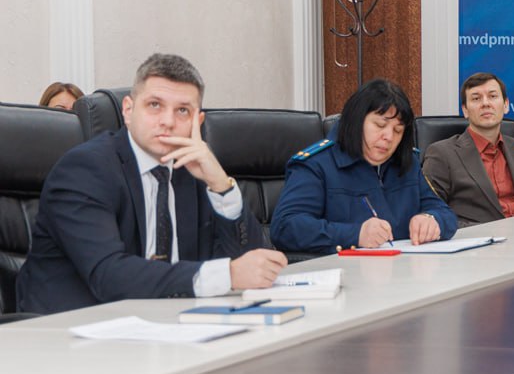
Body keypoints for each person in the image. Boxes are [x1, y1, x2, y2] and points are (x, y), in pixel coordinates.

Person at [16, 54, 282, 314]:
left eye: (182, 110)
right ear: (128, 111)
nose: (168, 121)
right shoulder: (84, 169)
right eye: (155, 105)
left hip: (167, 322)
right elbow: (109, 275)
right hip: (69, 326)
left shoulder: (193, 170)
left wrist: (221, 185)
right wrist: (227, 274)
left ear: (198, 121)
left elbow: (252, 265)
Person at [271, 78, 457, 253]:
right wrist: (355, 234)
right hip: (346, 272)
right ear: (356, 121)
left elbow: (445, 213)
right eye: (380, 125)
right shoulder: (317, 165)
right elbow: (285, 227)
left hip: (406, 268)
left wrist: (432, 220)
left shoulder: (407, 163)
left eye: (398, 130)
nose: (389, 137)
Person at [422, 72, 514, 226]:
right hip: (475, 240)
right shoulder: (442, 154)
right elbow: (431, 215)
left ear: (506, 105)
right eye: (476, 98)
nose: (485, 103)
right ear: (465, 110)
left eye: (492, 96)